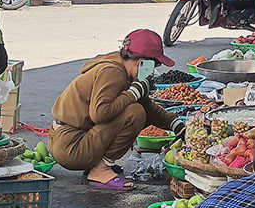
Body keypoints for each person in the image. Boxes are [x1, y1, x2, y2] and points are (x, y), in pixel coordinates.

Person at [49, 29, 185, 191]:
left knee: (138, 107)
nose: (154, 71)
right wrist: (132, 93)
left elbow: (146, 105)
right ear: (141, 62)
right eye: (154, 65)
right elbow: (100, 113)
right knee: (135, 113)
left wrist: (175, 123)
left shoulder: (122, 67)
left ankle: (98, 165)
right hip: (71, 147)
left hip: (70, 140)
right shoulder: (113, 72)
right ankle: (100, 170)